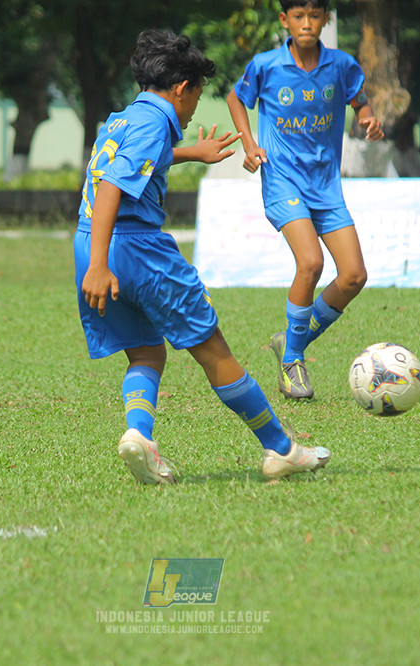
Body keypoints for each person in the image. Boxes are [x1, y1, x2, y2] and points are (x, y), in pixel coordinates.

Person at [75, 29, 331, 484]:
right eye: (196, 97)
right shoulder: (156, 123)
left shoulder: (124, 118)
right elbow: (114, 184)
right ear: (181, 89)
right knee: (215, 352)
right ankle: (282, 448)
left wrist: (191, 153)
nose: (194, 110)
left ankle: (140, 435)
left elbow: (131, 164)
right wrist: (102, 265)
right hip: (132, 249)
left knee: (148, 354)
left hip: (91, 241)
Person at [226, 0, 385, 400]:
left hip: (326, 185)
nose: (307, 23)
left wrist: (366, 116)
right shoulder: (266, 65)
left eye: (315, 16)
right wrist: (249, 142)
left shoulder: (342, 66)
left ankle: (290, 340)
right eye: (298, 16)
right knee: (311, 262)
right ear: (285, 20)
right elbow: (235, 98)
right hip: (282, 181)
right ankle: (292, 362)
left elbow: (359, 100)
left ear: (326, 20)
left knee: (353, 276)